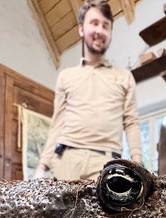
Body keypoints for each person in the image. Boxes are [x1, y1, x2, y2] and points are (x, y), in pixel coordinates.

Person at [34, 0, 142, 180]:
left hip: (107, 163)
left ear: (110, 33)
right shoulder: (65, 76)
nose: (100, 30)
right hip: (66, 160)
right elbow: (57, 123)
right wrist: (41, 167)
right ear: (81, 29)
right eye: (94, 23)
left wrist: (137, 164)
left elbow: (131, 122)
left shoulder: (124, 77)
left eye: (105, 25)